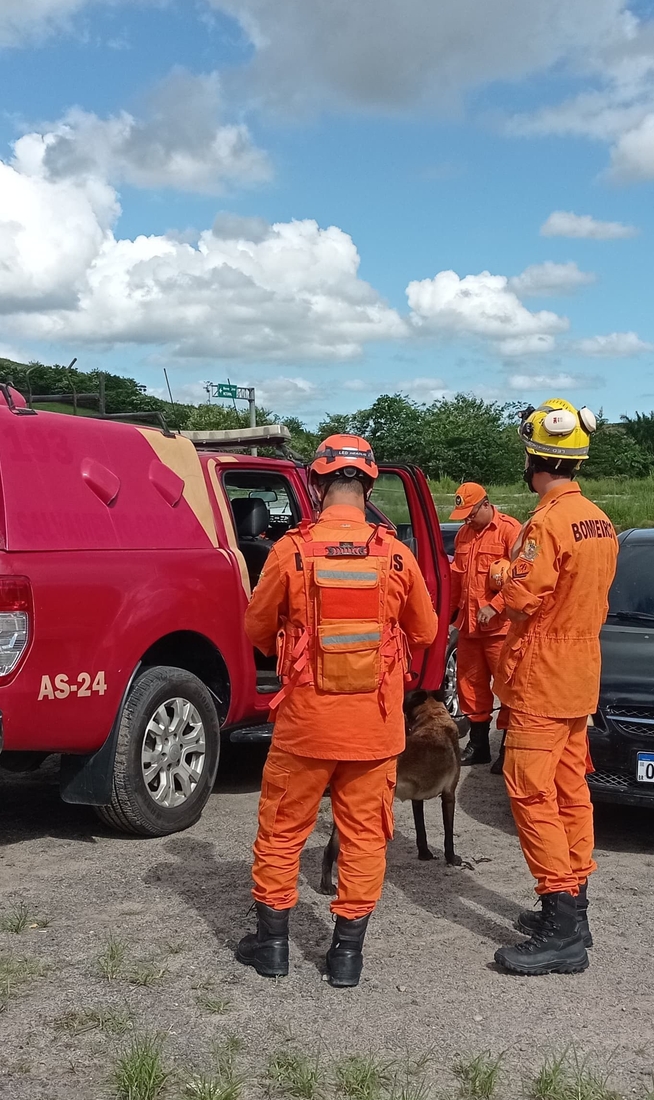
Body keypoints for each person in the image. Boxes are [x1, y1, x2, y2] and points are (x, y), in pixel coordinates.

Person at [235, 434, 439, 987]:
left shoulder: (291, 551)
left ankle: (273, 948)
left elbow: (256, 630)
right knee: (366, 838)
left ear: (318, 484)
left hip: (304, 726)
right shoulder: (396, 555)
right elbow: (425, 630)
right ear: (369, 484)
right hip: (374, 729)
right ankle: (346, 956)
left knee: (281, 833)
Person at [485, 399, 618, 975]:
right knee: (570, 791)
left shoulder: (545, 523)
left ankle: (561, 922)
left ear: (535, 458)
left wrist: (499, 577)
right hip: (580, 670)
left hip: (542, 673)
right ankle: (575, 905)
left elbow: (525, 597)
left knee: (529, 792)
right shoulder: (599, 519)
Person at [447, 482, 522, 765]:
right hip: (468, 628)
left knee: (506, 687)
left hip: (501, 630)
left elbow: (521, 578)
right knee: (469, 685)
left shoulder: (510, 531)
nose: (467, 519)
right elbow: (456, 579)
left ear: (486, 505)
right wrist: (450, 615)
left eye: (470, 513)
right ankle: (478, 746)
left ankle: (507, 749)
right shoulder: (464, 535)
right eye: (463, 515)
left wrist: (496, 606)